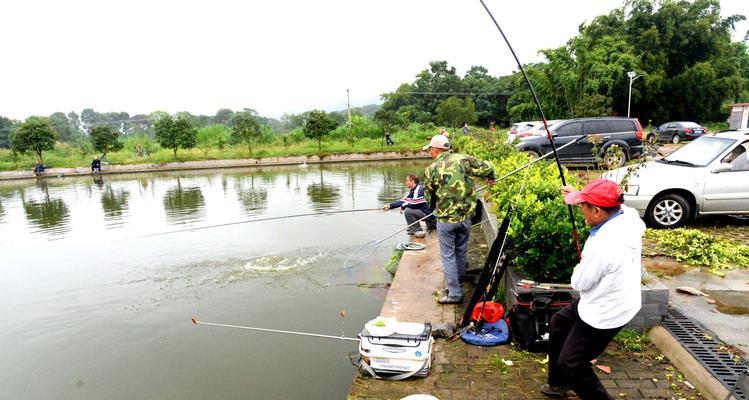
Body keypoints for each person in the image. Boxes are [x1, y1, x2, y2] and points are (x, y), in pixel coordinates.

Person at [540, 179, 645, 400]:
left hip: (605, 311)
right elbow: (618, 205)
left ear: (597, 211)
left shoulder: (605, 246)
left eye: (583, 206)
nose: (581, 211)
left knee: (572, 363)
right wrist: (581, 194)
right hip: (610, 297)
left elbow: (579, 283)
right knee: (559, 322)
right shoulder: (628, 216)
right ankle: (557, 385)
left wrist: (580, 265)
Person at [422, 134, 495, 304]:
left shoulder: (431, 169)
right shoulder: (464, 159)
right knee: (461, 252)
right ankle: (459, 284)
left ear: (436, 149)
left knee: (448, 256)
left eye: (430, 149)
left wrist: (435, 209)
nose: (429, 152)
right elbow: (488, 166)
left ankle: (454, 294)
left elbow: (428, 197)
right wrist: (491, 178)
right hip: (466, 218)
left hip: (446, 221)